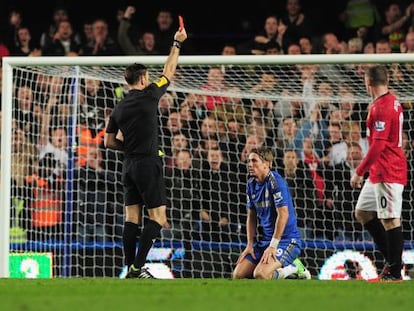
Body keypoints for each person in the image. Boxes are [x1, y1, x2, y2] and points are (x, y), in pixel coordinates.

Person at [104, 21, 187, 279]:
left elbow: (108, 141)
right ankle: (138, 266)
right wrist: (177, 43)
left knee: (131, 219)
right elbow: (169, 70)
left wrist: (129, 148)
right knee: (159, 218)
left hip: (128, 166)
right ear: (142, 79)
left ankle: (130, 269)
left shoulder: (118, 108)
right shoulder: (150, 94)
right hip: (148, 164)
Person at [350, 64, 407, 282]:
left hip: (387, 170)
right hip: (378, 171)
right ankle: (392, 261)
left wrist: (359, 171)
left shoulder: (382, 107)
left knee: (390, 220)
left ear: (368, 82)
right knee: (363, 212)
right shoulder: (391, 101)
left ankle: (394, 272)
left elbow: (378, 145)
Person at [232, 147, 311, 280]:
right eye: (249, 161)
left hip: (286, 241)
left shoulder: (276, 181)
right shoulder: (251, 184)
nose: (250, 165)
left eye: (254, 161)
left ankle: (294, 268)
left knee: (261, 275)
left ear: (266, 163)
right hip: (264, 241)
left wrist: (273, 246)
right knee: (238, 275)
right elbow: (251, 217)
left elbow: (283, 214)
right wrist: (250, 244)